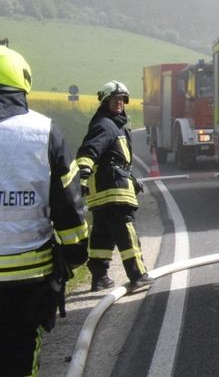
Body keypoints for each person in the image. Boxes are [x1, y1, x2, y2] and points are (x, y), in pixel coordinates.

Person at [0, 45, 89, 377]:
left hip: (29, 280)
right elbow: (68, 205)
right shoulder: (43, 132)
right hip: (28, 281)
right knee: (20, 357)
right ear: (23, 82)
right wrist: (76, 253)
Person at [77, 80, 152, 292]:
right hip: (114, 190)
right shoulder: (105, 125)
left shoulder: (111, 123)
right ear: (105, 101)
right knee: (126, 231)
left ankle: (99, 278)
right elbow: (87, 152)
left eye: (122, 100)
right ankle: (138, 275)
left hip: (104, 192)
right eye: (115, 99)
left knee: (101, 233)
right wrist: (82, 176)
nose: (119, 103)